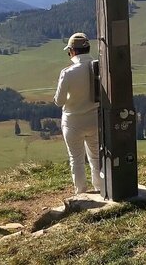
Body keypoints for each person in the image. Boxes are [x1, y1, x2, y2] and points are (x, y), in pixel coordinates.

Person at [54, 32, 102, 195]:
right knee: (96, 157)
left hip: (73, 121)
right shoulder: (100, 67)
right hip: (95, 119)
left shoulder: (68, 72)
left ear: (72, 51)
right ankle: (100, 188)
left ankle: (81, 192)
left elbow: (59, 101)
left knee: (76, 159)